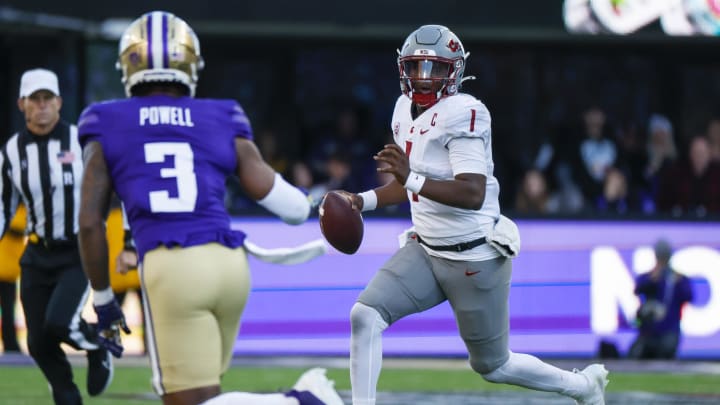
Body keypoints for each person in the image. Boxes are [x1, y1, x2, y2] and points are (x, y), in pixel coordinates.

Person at [76, 11, 343, 405]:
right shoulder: (220, 115)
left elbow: (89, 224)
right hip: (230, 266)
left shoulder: (106, 119)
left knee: (193, 402)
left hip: (174, 267)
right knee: (208, 391)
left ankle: (303, 400)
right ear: (190, 62)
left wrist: (101, 298)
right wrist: (315, 203)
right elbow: (289, 207)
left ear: (128, 64)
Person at [339, 25, 608, 405]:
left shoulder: (465, 112)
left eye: (434, 68)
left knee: (494, 366)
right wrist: (361, 200)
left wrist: (411, 176)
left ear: (454, 72)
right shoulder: (403, 109)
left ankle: (582, 387)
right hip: (427, 251)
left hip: (473, 256)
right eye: (416, 67)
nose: (423, 78)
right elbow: (408, 184)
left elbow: (471, 192)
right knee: (364, 316)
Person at [0, 68, 113, 404]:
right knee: (37, 342)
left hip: (76, 250)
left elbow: (111, 189)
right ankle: (66, 393)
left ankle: (97, 345)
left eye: (48, 98)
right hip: (36, 252)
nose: (42, 106)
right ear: (22, 104)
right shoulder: (10, 152)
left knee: (60, 323)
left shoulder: (82, 142)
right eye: (35, 99)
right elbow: (4, 207)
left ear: (60, 102)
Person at [629, 238, 694, 359]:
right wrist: (651, 279)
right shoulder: (650, 276)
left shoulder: (678, 278)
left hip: (670, 330)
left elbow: (689, 296)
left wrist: (679, 283)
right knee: (636, 355)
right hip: (648, 330)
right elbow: (637, 290)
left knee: (665, 354)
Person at [0, 204, 25, 354]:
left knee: (9, 309)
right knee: (8, 308)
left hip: (8, 270)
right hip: (7, 269)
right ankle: (11, 345)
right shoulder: (19, 210)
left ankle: (11, 344)